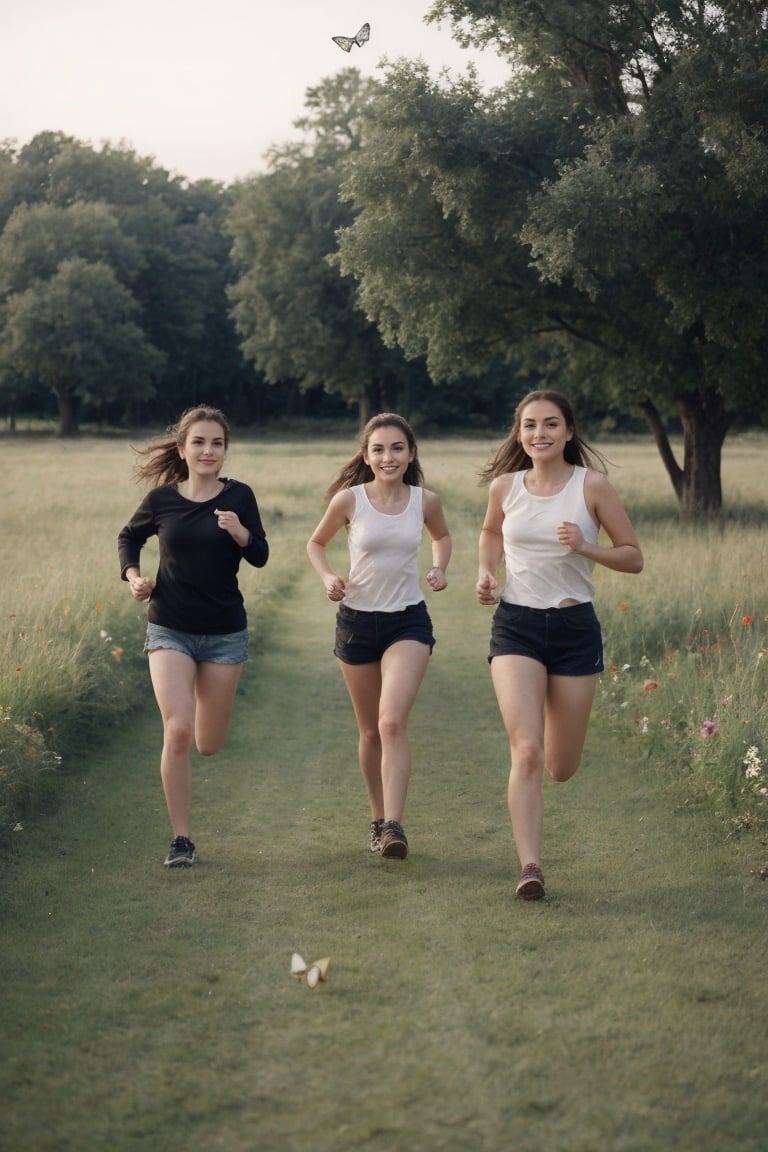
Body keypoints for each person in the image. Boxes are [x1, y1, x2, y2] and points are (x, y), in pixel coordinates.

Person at [476, 390, 643, 899]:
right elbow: (490, 532)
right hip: (517, 627)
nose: (539, 434)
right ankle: (530, 867)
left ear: (569, 431)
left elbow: (633, 557)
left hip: (574, 630)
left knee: (559, 766)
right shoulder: (505, 487)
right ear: (519, 432)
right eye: (529, 425)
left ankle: (550, 728)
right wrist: (486, 571)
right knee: (526, 751)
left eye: (550, 424)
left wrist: (586, 545)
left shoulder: (592, 487)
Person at [117, 406, 269, 867]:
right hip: (170, 627)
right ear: (182, 450)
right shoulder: (162, 500)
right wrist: (133, 577)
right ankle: (182, 840)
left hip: (224, 632)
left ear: (225, 450)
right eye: (199, 442)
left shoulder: (240, 496)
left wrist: (241, 533)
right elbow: (129, 536)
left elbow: (260, 554)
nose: (208, 450)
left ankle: (202, 706)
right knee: (178, 731)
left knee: (208, 742)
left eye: (217, 443)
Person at [307, 413, 452, 860]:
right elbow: (316, 544)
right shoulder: (348, 501)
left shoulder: (424, 500)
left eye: (396, 449)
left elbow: (441, 536)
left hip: (407, 620)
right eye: (378, 450)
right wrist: (329, 576)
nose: (388, 457)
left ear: (410, 453)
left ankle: (394, 826)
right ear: (366, 456)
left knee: (391, 723)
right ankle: (377, 819)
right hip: (356, 622)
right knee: (370, 731)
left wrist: (439, 566)